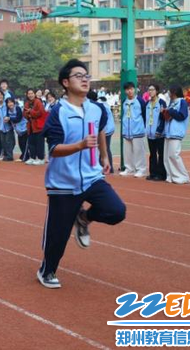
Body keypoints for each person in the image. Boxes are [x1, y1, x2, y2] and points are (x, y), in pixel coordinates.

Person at [38, 59, 126, 289]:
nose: (85, 79)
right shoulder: (58, 112)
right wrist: (79, 145)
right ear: (65, 83)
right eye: (78, 76)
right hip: (63, 182)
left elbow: (101, 131)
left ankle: (84, 218)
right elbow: (54, 149)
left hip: (91, 177)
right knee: (58, 235)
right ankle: (47, 270)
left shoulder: (97, 109)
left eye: (86, 75)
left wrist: (104, 156)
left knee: (116, 211)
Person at [162, 85, 190, 185]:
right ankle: (171, 176)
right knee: (167, 157)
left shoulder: (182, 102)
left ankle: (183, 176)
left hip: (176, 132)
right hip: (168, 132)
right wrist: (165, 112)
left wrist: (170, 111)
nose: (169, 94)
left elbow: (182, 116)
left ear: (174, 92)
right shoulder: (171, 102)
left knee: (174, 155)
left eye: (170, 91)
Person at [120, 82, 148, 178]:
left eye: (131, 89)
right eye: (127, 89)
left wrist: (142, 127)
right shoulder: (124, 101)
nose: (130, 91)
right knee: (127, 151)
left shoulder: (140, 100)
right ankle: (129, 168)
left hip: (138, 130)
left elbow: (145, 114)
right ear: (125, 91)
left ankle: (141, 169)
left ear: (134, 89)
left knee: (139, 151)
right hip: (126, 130)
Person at [145, 85, 167, 181]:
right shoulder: (147, 104)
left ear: (157, 91)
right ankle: (153, 173)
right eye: (149, 90)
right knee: (152, 154)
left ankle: (161, 174)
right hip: (150, 134)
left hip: (159, 134)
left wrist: (159, 130)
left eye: (152, 90)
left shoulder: (161, 103)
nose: (150, 92)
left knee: (161, 154)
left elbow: (163, 118)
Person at [23, 88, 47, 165]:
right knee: (31, 143)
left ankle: (41, 158)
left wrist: (31, 112)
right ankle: (32, 157)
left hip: (38, 126)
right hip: (30, 126)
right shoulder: (27, 103)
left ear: (34, 94)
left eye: (32, 93)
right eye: (29, 94)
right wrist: (29, 114)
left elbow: (40, 112)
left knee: (39, 143)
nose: (30, 95)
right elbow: (24, 113)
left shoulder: (38, 102)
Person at [0, 92, 14, 161]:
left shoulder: (7, 104)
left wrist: (9, 118)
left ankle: (10, 156)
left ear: (3, 96)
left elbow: (12, 110)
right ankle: (6, 155)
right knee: (3, 142)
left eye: (1, 95)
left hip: (8, 126)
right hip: (1, 126)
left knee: (9, 141)